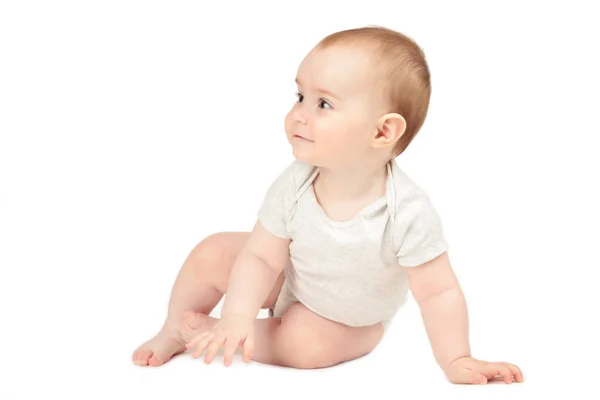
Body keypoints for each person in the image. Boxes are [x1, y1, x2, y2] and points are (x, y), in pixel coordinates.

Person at [132, 26, 524, 385]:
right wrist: (239, 311)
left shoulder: (406, 211)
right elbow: (263, 258)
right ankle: (175, 329)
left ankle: (219, 334)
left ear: (383, 131)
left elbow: (438, 292)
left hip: (345, 321)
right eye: (300, 96)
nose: (299, 114)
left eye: (323, 105)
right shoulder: (295, 181)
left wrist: (456, 357)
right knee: (214, 251)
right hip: (292, 277)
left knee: (306, 345)